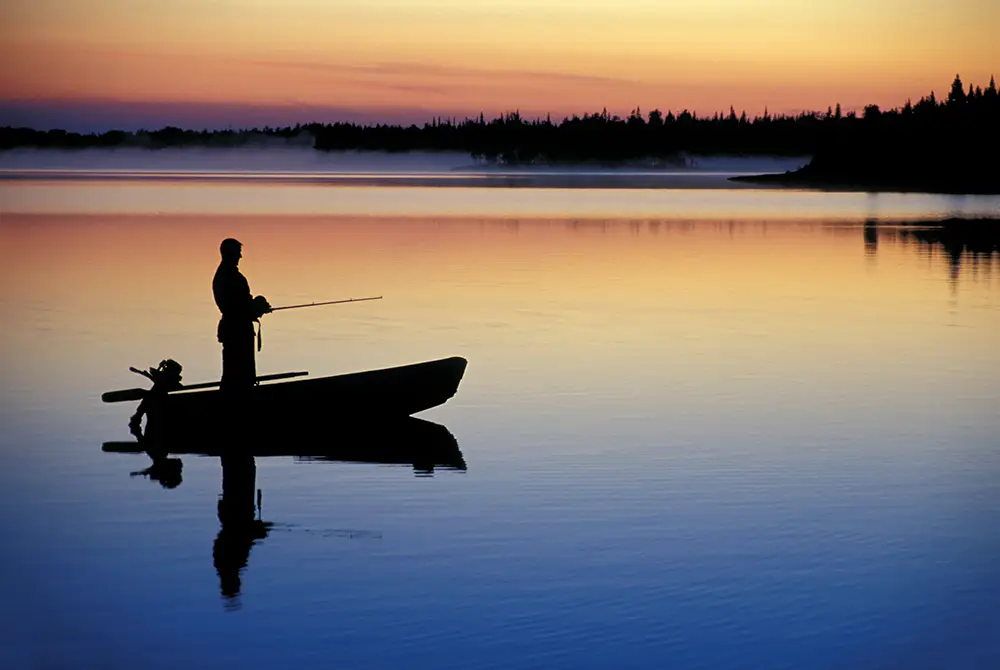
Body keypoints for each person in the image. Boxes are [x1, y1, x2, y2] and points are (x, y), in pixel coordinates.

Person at [213, 238, 271, 392]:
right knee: (236, 374)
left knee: (237, 374)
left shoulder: (226, 275)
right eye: (238, 253)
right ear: (230, 254)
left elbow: (240, 305)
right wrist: (257, 307)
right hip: (236, 332)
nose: (240, 257)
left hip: (236, 329)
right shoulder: (229, 277)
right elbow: (237, 307)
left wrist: (256, 307)